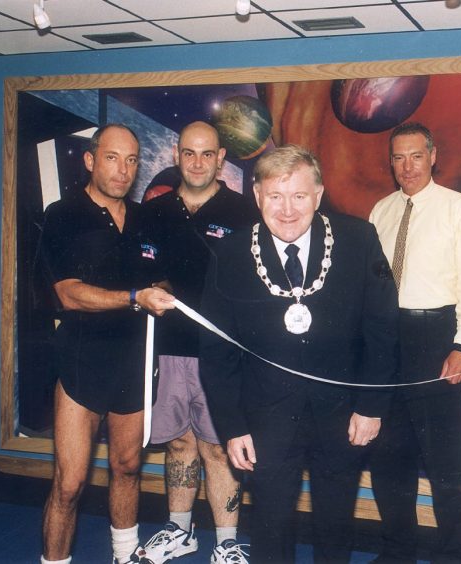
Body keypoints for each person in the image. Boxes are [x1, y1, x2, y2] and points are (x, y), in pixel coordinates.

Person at [199, 144, 399, 563]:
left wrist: (371, 406)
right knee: (270, 528)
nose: (287, 210)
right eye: (275, 196)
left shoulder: (359, 240)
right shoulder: (230, 254)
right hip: (265, 417)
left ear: (319, 195)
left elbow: (382, 330)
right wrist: (232, 426)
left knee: (336, 524)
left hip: (343, 414)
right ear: (257, 197)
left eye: (299, 196)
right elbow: (217, 351)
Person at [39, 124, 176, 564]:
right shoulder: (63, 214)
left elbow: (160, 276)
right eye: (114, 158)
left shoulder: (145, 219)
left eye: (132, 160)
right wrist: (135, 298)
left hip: (133, 360)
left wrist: (161, 290)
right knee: (69, 483)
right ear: (91, 160)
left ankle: (124, 555)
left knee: (128, 468)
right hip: (83, 361)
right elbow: (68, 292)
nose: (124, 170)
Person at [368, 122, 461, 562]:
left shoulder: (460, 208)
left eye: (416, 156)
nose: (407, 166)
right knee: (387, 457)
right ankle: (397, 551)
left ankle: (454, 554)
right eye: (398, 157)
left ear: (433, 156)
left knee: (445, 464)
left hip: (437, 339)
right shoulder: (380, 211)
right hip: (386, 342)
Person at [141, 121, 258, 564]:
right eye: (189, 153)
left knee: (217, 444)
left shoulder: (243, 213)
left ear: (221, 158)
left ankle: (226, 541)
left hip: (221, 354)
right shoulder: (153, 212)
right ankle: (179, 530)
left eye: (207, 154)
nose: (197, 162)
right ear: (176, 154)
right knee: (178, 443)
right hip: (168, 349)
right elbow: (141, 274)